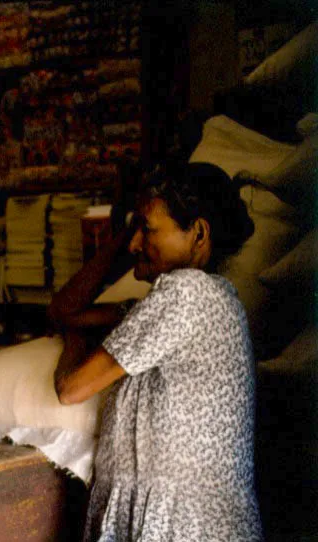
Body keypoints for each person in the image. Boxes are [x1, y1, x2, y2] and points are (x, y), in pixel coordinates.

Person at [47, 161, 262, 541]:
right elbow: (66, 308)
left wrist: (75, 340)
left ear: (198, 234)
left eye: (147, 230)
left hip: (177, 523)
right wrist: (129, 232)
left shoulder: (186, 294)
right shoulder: (199, 301)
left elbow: (71, 388)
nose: (134, 246)